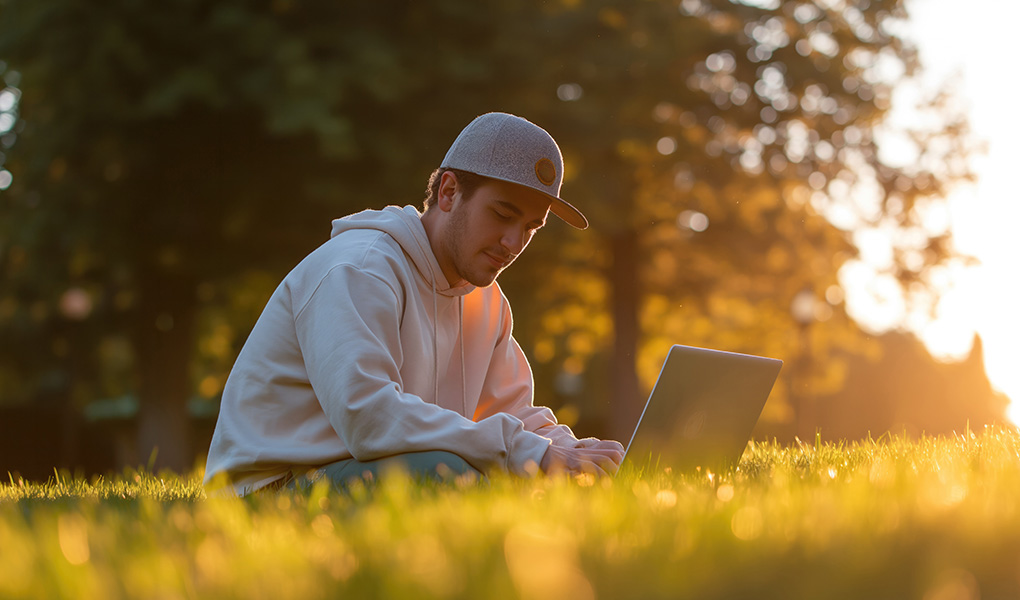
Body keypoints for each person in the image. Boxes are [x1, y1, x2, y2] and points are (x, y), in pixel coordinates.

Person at [203, 112, 624, 495]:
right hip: (273, 488)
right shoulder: (360, 268)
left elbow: (512, 412)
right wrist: (527, 453)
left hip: (367, 470)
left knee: (520, 479)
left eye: (531, 227)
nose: (513, 243)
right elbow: (368, 417)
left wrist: (572, 451)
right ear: (449, 191)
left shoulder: (487, 301)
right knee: (453, 473)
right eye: (502, 214)